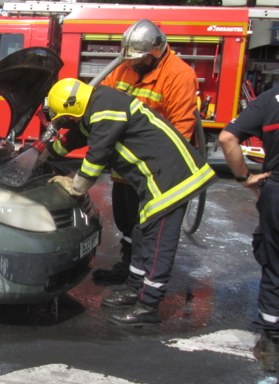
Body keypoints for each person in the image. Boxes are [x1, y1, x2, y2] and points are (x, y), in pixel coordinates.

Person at [44, 78, 217, 325]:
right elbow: (76, 137)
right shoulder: (98, 104)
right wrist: (45, 153)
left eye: (67, 118)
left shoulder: (105, 109)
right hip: (153, 180)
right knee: (140, 235)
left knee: (158, 243)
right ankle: (136, 288)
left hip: (170, 181)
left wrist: (75, 186)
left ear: (74, 108)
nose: (67, 122)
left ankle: (149, 306)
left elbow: (97, 154)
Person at [89, 20, 200, 287]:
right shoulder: (124, 68)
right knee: (126, 222)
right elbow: (102, 98)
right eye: (130, 58)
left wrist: (160, 171)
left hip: (154, 171)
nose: (133, 64)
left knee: (146, 229)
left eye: (139, 59)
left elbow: (181, 129)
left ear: (156, 52)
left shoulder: (178, 75)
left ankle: (139, 283)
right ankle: (127, 267)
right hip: (126, 168)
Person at [218, 83, 279, 373]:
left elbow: (228, 138)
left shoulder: (271, 99)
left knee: (274, 263)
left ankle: (272, 345)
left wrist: (245, 178)